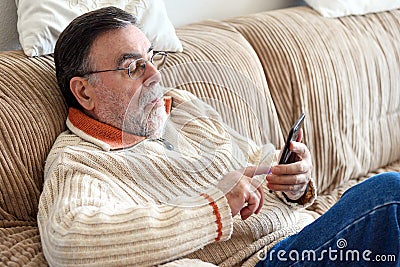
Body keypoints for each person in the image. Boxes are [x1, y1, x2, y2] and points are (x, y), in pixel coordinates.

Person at [38, 6, 400, 267]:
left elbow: (260, 163)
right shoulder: (82, 160)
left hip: (309, 233)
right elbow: (68, 242)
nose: (155, 76)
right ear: (84, 92)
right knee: (388, 194)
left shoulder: (180, 108)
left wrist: (293, 182)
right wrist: (215, 209)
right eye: (133, 67)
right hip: (266, 258)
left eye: (153, 58)